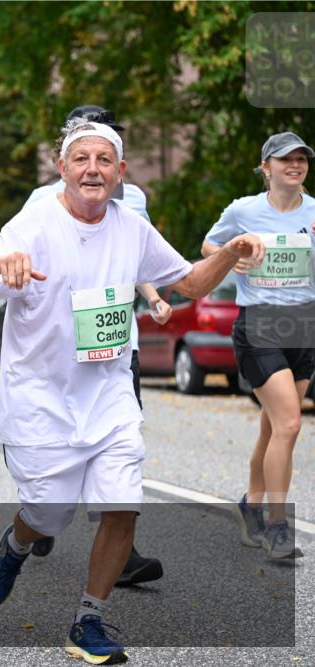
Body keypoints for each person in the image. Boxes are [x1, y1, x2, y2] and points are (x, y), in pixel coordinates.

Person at [0, 120, 264, 665]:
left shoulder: (131, 228)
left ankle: (88, 619)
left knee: (122, 505)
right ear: (63, 169)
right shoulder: (34, 222)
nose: (92, 169)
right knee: (49, 512)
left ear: (120, 172)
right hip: (40, 396)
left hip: (108, 393)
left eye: (104, 160)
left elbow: (188, 283)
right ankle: (17, 544)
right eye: (81, 159)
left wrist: (231, 251)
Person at [21, 105, 171, 586]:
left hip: (113, 343)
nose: (94, 165)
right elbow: (19, 253)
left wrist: (153, 298)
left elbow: (140, 255)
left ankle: (118, 547)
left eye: (107, 148)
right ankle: (41, 515)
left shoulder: (136, 199)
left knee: (119, 443)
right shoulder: (44, 198)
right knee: (54, 453)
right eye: (80, 145)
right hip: (56, 347)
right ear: (64, 155)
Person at [202, 131, 314, 559]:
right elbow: (209, 245)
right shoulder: (243, 209)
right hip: (260, 324)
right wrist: (235, 252)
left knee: (273, 424)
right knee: (288, 424)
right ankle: (277, 527)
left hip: (304, 323)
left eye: (302, 159)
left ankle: (250, 503)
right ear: (266, 168)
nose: (296, 165)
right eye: (286, 159)